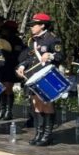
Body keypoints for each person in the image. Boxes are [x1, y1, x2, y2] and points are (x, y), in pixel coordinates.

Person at [17, 13, 64, 146]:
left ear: (43, 25)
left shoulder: (52, 39)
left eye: (34, 25)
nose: (31, 27)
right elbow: (29, 58)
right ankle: (39, 133)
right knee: (36, 104)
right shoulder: (32, 40)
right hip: (33, 76)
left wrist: (50, 55)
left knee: (46, 104)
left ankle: (47, 135)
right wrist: (21, 66)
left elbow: (61, 56)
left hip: (46, 77)